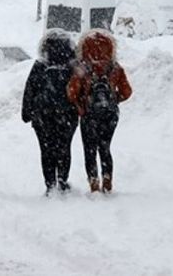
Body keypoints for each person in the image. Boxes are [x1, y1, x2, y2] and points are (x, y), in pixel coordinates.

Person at [67, 29, 133, 193]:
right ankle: (107, 177)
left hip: (89, 114)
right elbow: (127, 92)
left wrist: (81, 103)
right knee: (105, 147)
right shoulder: (115, 67)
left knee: (89, 150)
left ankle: (94, 181)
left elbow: (72, 92)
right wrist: (113, 100)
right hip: (109, 115)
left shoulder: (82, 68)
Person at [21, 29, 78, 196]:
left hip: (43, 115)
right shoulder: (72, 65)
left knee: (46, 150)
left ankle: (50, 183)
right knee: (64, 148)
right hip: (67, 114)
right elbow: (80, 88)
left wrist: (27, 112)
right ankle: (62, 180)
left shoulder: (41, 65)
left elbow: (30, 88)